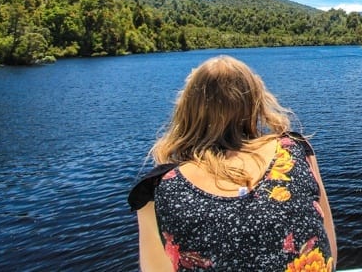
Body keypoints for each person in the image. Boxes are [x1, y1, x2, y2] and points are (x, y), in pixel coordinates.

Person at [128, 55, 337, 272]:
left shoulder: (158, 189)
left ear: (188, 110)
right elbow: (329, 248)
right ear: (254, 103)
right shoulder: (295, 151)